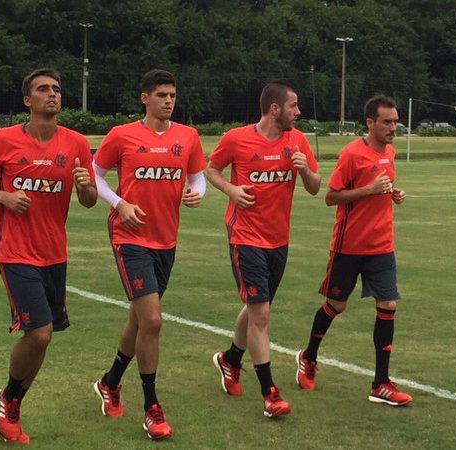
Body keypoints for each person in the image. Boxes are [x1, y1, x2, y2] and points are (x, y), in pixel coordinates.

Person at [0, 68, 97, 444]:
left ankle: (9, 402)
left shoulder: (75, 143)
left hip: (54, 253)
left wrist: (87, 188)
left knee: (45, 337)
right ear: (28, 100)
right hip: (15, 251)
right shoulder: (2, 140)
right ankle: (10, 403)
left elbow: (89, 202)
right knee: (39, 334)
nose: (52, 94)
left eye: (57, 89)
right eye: (43, 89)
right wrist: (4, 196)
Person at [90, 69, 206, 440]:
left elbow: (198, 176)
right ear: (145, 98)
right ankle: (152, 407)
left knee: (140, 322)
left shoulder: (187, 136)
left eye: (172, 94)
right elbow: (96, 174)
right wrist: (120, 204)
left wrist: (196, 192)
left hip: (165, 239)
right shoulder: (122, 135)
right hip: (130, 236)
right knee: (153, 321)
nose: (169, 101)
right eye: (161, 95)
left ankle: (110, 382)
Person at [207, 80, 321, 418]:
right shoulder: (237, 139)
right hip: (245, 237)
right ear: (275, 109)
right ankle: (270, 393)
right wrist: (231, 190)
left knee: (258, 307)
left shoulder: (296, 141)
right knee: (261, 313)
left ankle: (230, 360)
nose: (298, 112)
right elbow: (211, 169)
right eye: (293, 106)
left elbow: (316, 187)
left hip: (279, 240)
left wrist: (304, 172)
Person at [295, 95, 413, 407]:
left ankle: (381, 383)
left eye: (395, 121)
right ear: (370, 123)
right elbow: (331, 197)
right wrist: (369, 190)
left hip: (382, 246)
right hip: (349, 246)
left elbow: (380, 189)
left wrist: (391, 194)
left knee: (388, 304)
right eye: (386, 122)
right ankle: (308, 358)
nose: (393, 127)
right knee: (336, 304)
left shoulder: (390, 152)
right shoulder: (351, 155)